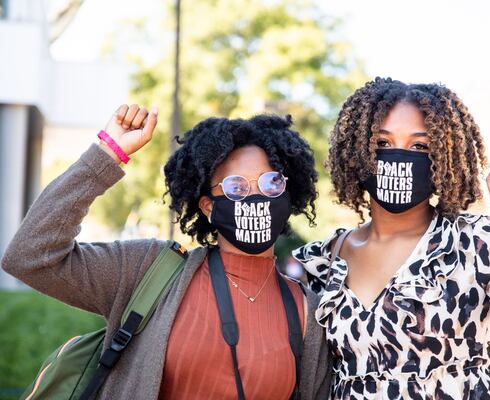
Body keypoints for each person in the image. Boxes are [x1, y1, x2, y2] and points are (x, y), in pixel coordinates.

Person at [292, 78, 490, 399]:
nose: (398, 157)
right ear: (356, 153)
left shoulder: (476, 244)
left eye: (420, 146)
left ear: (444, 159)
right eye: (381, 143)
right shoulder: (323, 262)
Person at [1, 104, 332, 399]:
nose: (256, 197)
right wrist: (107, 154)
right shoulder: (148, 271)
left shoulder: (309, 313)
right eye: (236, 187)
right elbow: (30, 255)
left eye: (271, 182)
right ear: (208, 207)